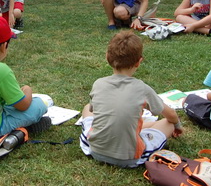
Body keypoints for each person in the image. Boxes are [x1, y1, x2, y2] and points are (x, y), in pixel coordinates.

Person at [79, 31, 184, 168]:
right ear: (139, 62)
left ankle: (139, 127)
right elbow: (171, 114)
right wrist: (177, 126)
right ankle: (145, 128)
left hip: (94, 150)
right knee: (168, 123)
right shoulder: (142, 89)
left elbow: (93, 110)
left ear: (107, 56)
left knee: (87, 108)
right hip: (130, 157)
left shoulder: (98, 84)